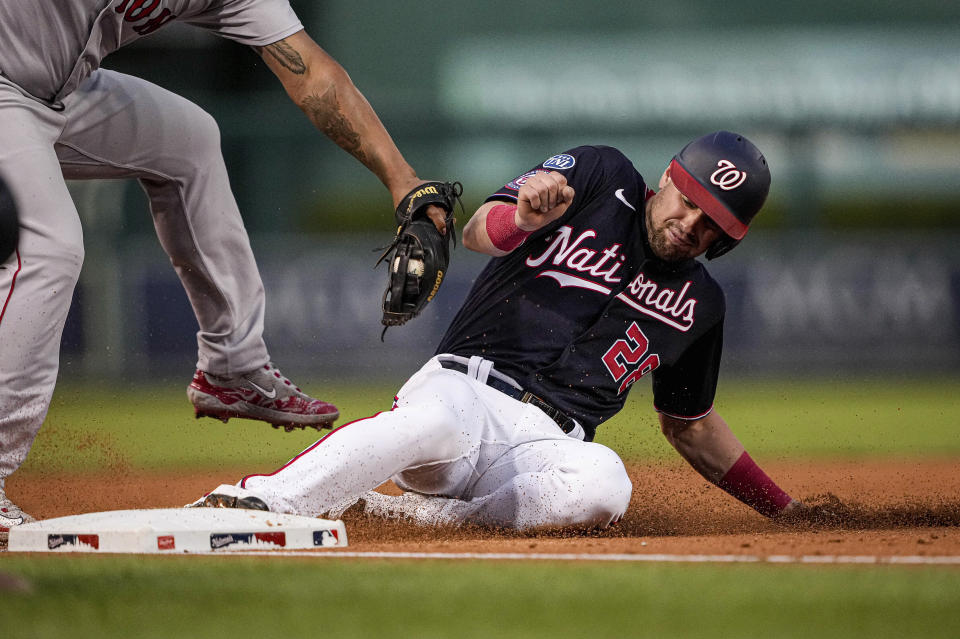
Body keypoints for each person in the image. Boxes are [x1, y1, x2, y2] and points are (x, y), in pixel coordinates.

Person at [192, 131, 814, 531]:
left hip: (545, 445)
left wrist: (782, 510)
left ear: (728, 241)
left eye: (712, 225)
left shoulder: (700, 302)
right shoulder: (601, 174)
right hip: (465, 393)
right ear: (670, 177)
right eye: (688, 200)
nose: (690, 224)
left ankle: (431, 521)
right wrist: (520, 218)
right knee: (423, 424)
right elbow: (476, 231)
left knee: (605, 484)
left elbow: (692, 425)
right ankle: (262, 502)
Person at [0, 0, 449, 540]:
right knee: (48, 246)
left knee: (189, 140)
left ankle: (232, 367)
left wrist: (402, 181)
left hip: (56, 92)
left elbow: (315, 76)